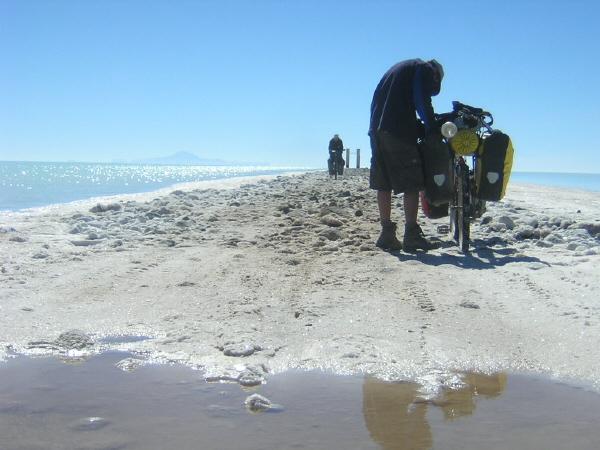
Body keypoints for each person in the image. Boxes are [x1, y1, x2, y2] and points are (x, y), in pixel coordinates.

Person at [368, 59, 444, 251]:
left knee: (383, 183)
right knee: (413, 183)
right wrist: (432, 127)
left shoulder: (395, 71)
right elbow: (421, 99)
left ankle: (387, 234)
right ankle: (411, 235)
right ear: (436, 73)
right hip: (398, 130)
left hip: (377, 130)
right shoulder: (424, 68)